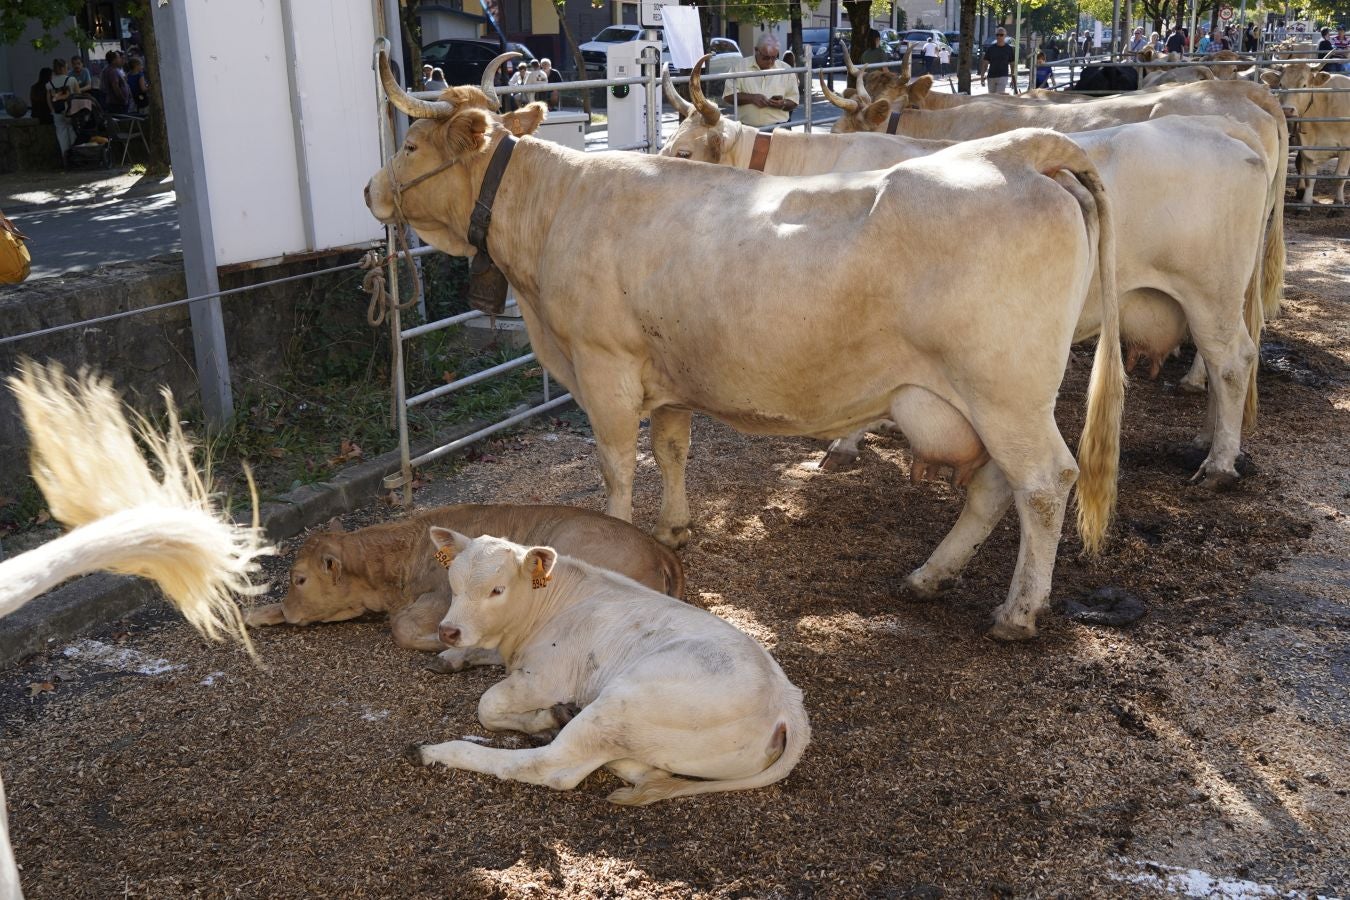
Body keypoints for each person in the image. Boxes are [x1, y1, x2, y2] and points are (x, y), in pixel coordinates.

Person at [722, 34, 799, 129]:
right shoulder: (739, 67)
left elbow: (794, 101)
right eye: (766, 57)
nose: (770, 61)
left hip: (779, 128)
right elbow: (728, 96)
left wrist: (782, 104)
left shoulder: (786, 69)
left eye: (774, 57)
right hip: (747, 129)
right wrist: (751, 98)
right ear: (756, 50)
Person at [46, 59, 80, 161]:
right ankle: (76, 157)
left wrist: (53, 111)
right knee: (73, 132)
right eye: (66, 67)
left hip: (57, 112)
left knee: (61, 135)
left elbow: (49, 100)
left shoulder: (49, 84)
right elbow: (78, 95)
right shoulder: (71, 80)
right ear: (63, 68)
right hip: (71, 111)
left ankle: (66, 158)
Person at [979, 27, 1016, 94]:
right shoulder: (991, 49)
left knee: (999, 96)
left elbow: (1012, 64)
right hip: (991, 77)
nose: (999, 36)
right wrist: (982, 75)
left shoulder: (1009, 49)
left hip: (1003, 76)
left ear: (1005, 36)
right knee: (992, 98)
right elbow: (985, 63)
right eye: (997, 35)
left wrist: (1013, 79)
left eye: (1001, 35)